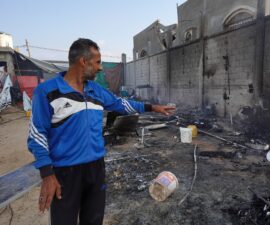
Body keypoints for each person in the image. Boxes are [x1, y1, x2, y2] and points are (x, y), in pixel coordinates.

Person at [27, 38, 175, 225]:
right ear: (83, 61)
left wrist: (152, 107)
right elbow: (36, 134)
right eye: (97, 62)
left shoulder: (95, 90)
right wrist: (47, 174)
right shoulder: (47, 91)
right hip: (65, 173)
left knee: (94, 220)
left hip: (96, 169)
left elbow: (120, 104)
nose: (100, 68)